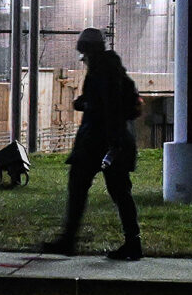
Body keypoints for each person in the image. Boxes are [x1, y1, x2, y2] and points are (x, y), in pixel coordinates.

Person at [44, 27, 143, 261]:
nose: (84, 60)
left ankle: (69, 240)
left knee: (80, 187)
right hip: (111, 141)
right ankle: (133, 242)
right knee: (120, 192)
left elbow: (106, 107)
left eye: (84, 55)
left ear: (87, 50)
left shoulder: (102, 71)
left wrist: (87, 105)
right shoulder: (112, 69)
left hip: (100, 142)